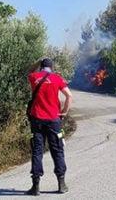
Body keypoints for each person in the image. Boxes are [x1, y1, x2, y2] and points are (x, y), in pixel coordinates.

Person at [25, 57, 73, 195]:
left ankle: (36, 186)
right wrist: (64, 112)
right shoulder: (57, 78)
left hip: (37, 121)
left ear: (41, 67)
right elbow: (69, 96)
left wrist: (37, 62)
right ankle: (61, 183)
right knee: (57, 150)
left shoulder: (34, 77)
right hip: (53, 120)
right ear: (51, 68)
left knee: (37, 151)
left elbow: (29, 70)